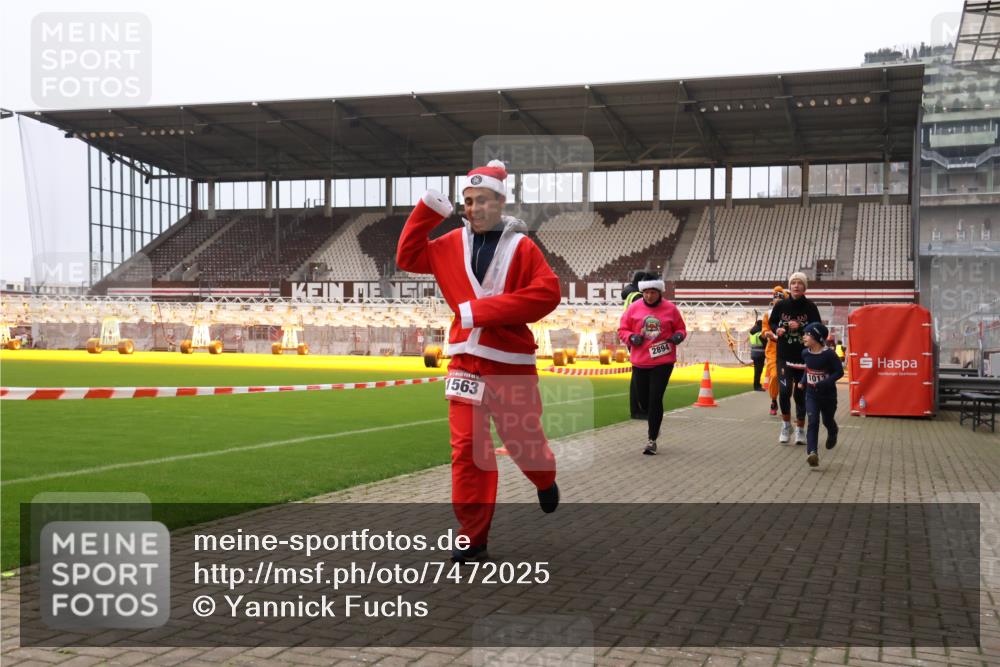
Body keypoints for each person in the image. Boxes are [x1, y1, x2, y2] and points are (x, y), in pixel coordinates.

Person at [396, 159, 562, 564]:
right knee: (468, 450)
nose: (473, 209)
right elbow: (407, 257)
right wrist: (427, 211)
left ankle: (544, 478)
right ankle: (473, 537)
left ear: (500, 202)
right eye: (467, 202)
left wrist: (480, 312)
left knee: (524, 443)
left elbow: (547, 294)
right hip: (464, 363)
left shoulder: (523, 247)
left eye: (482, 200)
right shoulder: (450, 243)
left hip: (510, 364)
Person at [618, 276, 687, 455]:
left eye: (653, 292)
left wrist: (678, 336)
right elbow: (622, 330)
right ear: (642, 292)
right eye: (646, 292)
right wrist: (631, 337)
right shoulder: (634, 308)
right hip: (640, 361)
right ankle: (654, 424)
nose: (649, 296)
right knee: (643, 399)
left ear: (659, 292)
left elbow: (681, 328)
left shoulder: (670, 309)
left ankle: (652, 438)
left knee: (655, 398)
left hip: (663, 361)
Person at [768, 272, 822, 445]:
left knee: (800, 395)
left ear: (805, 287)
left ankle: (800, 429)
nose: (796, 286)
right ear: (789, 286)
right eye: (793, 283)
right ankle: (785, 425)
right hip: (784, 355)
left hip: (804, 357)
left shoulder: (810, 307)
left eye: (800, 283)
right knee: (784, 392)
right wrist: (778, 330)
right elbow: (773, 322)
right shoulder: (781, 305)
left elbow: (818, 327)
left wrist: (802, 326)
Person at [797, 322, 843, 467]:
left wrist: (825, 383)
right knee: (813, 421)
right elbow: (808, 369)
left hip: (828, 395)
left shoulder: (829, 354)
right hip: (811, 394)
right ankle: (812, 453)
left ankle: (833, 431)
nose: (803, 336)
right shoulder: (805, 353)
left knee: (827, 420)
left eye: (807, 334)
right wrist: (803, 381)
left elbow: (839, 372)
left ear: (816, 337)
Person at [622, 271, 648, 419]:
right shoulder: (638, 297)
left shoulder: (630, 294)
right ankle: (639, 410)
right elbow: (640, 319)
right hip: (637, 339)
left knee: (638, 375)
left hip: (632, 338)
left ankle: (638, 409)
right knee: (639, 376)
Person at [761, 286, 787, 415]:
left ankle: (787, 402)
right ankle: (773, 399)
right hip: (772, 350)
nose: (776, 300)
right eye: (775, 298)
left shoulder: (790, 313)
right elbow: (764, 329)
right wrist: (767, 334)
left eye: (780, 298)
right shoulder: (768, 314)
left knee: (790, 379)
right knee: (775, 375)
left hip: (788, 350)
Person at [748, 319, 766, 391]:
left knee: (757, 371)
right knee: (758, 371)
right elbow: (766, 345)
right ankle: (757, 386)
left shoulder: (752, 333)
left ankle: (757, 385)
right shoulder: (760, 334)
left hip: (754, 354)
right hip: (760, 355)